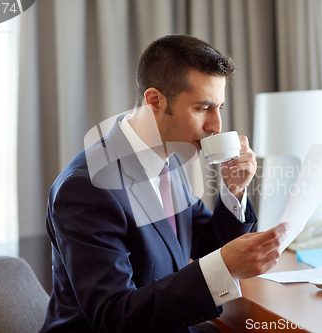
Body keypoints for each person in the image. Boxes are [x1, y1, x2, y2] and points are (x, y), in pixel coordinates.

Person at [40, 34, 289, 333]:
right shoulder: (88, 188)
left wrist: (234, 190)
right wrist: (222, 266)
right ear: (155, 101)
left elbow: (207, 244)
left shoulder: (167, 160)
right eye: (202, 108)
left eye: (218, 107)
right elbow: (114, 316)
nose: (216, 126)